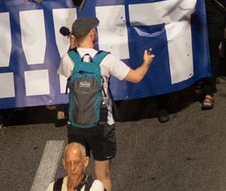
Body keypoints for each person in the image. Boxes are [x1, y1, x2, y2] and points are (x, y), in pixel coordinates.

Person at [57, 16, 154, 191]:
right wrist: (146, 63)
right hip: (101, 125)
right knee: (103, 176)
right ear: (92, 33)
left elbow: (66, 72)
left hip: (76, 124)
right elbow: (136, 77)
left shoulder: (67, 59)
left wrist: (72, 48)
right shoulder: (106, 59)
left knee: (76, 173)